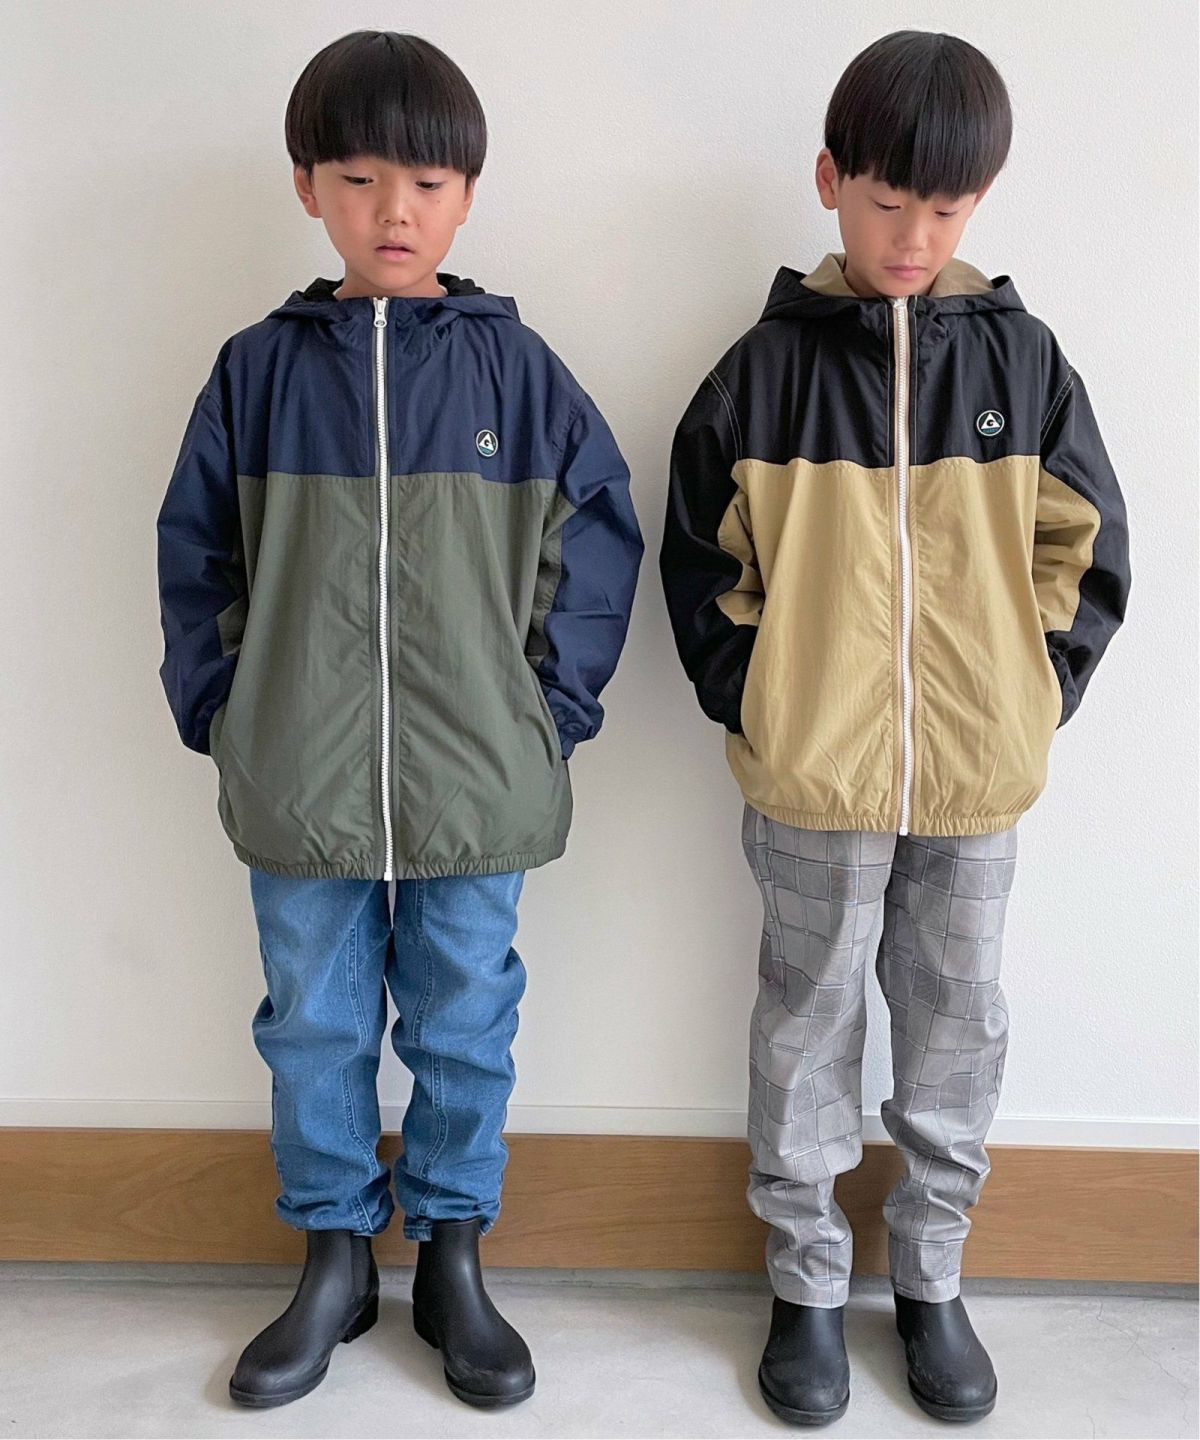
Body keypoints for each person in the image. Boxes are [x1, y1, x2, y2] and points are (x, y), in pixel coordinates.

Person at [156, 29, 643, 1411]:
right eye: (361, 178)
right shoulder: (257, 372)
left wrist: (545, 715)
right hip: (299, 780)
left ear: (468, 194)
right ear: (307, 185)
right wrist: (230, 714)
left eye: (427, 183)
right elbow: (196, 556)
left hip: (478, 783)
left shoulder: (518, 374)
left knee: (464, 1019)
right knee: (312, 1023)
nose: (394, 211)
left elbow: (596, 544)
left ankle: (452, 1253)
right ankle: (331, 1255)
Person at [660, 29, 1129, 1427]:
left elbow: (1084, 547)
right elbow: (705, 564)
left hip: (977, 780)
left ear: (978, 203)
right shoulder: (763, 373)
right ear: (829, 182)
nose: (913, 238)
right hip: (813, 780)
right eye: (885, 203)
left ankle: (930, 1276)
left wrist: (1031, 693)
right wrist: (764, 701)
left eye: (945, 208)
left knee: (955, 1022)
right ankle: (806, 1284)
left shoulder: (1025, 363)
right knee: (805, 1021)